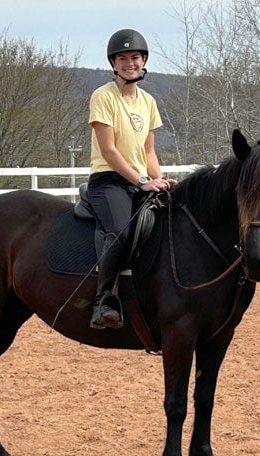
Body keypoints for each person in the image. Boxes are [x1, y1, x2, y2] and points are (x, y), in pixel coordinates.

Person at [87, 28, 176, 330]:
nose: (129, 63)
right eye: (122, 58)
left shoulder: (148, 101)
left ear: (144, 60)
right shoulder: (103, 97)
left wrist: (160, 180)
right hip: (109, 181)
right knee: (122, 231)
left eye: (134, 57)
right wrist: (141, 181)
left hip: (140, 180)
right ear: (113, 64)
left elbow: (148, 150)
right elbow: (109, 151)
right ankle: (104, 301)